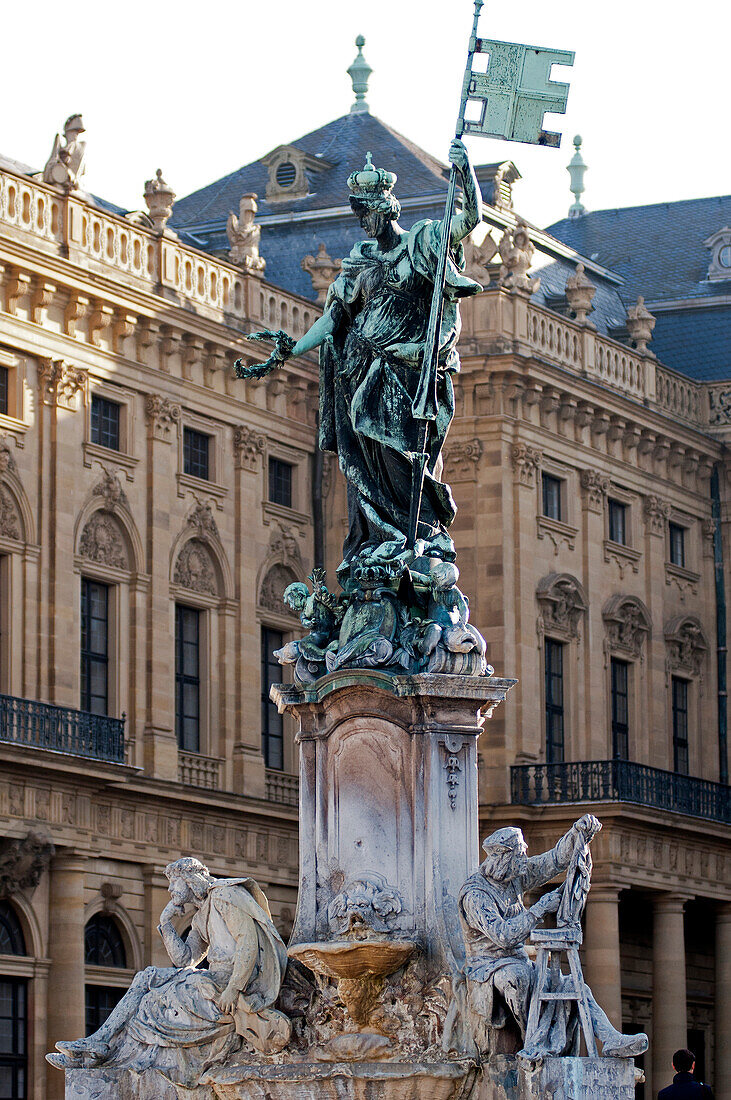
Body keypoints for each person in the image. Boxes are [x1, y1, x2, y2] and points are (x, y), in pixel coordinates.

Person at [237, 140, 484, 575]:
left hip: (409, 373)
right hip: (361, 371)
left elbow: (469, 219)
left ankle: (413, 538)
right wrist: (292, 349)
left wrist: (465, 176)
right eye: (359, 213)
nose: (363, 221)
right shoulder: (358, 260)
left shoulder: (423, 242)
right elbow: (334, 318)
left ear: (388, 207)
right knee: (365, 466)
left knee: (407, 460)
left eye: (367, 211)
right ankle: (381, 539)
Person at [47, 858, 290, 1087]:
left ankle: (104, 1051)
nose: (171, 890)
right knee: (146, 976)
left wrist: (233, 989)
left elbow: (248, 943)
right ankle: (98, 1042)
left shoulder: (225, 896)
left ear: (189, 880)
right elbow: (185, 959)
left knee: (153, 1002)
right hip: (216, 980)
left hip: (233, 983)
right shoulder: (202, 913)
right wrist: (165, 922)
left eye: (174, 882)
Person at [446, 816, 648, 1059]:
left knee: (574, 985)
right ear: (503, 856)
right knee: (516, 978)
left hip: (518, 959)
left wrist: (576, 834)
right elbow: (503, 935)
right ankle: (530, 1042)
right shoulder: (475, 894)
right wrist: (539, 908)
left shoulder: (514, 875)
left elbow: (553, 861)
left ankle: (610, 1038)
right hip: (487, 966)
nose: (524, 860)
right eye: (520, 854)